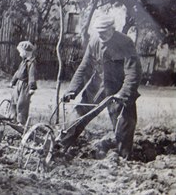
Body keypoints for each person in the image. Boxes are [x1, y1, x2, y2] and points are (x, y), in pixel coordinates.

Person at [61, 15, 142, 159]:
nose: (101, 34)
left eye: (104, 31)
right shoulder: (94, 42)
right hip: (98, 85)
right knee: (78, 115)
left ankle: (123, 158)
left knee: (124, 124)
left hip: (119, 89)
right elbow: (84, 67)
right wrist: (72, 90)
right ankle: (59, 147)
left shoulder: (125, 42)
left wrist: (124, 93)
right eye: (98, 31)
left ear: (113, 29)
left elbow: (133, 72)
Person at [9, 40, 38, 125]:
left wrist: (32, 87)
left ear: (26, 52)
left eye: (20, 52)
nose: (19, 54)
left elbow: (32, 75)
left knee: (22, 104)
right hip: (19, 83)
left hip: (25, 86)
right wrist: (13, 81)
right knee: (14, 101)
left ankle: (21, 122)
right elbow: (18, 72)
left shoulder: (32, 63)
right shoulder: (23, 61)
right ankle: (12, 118)